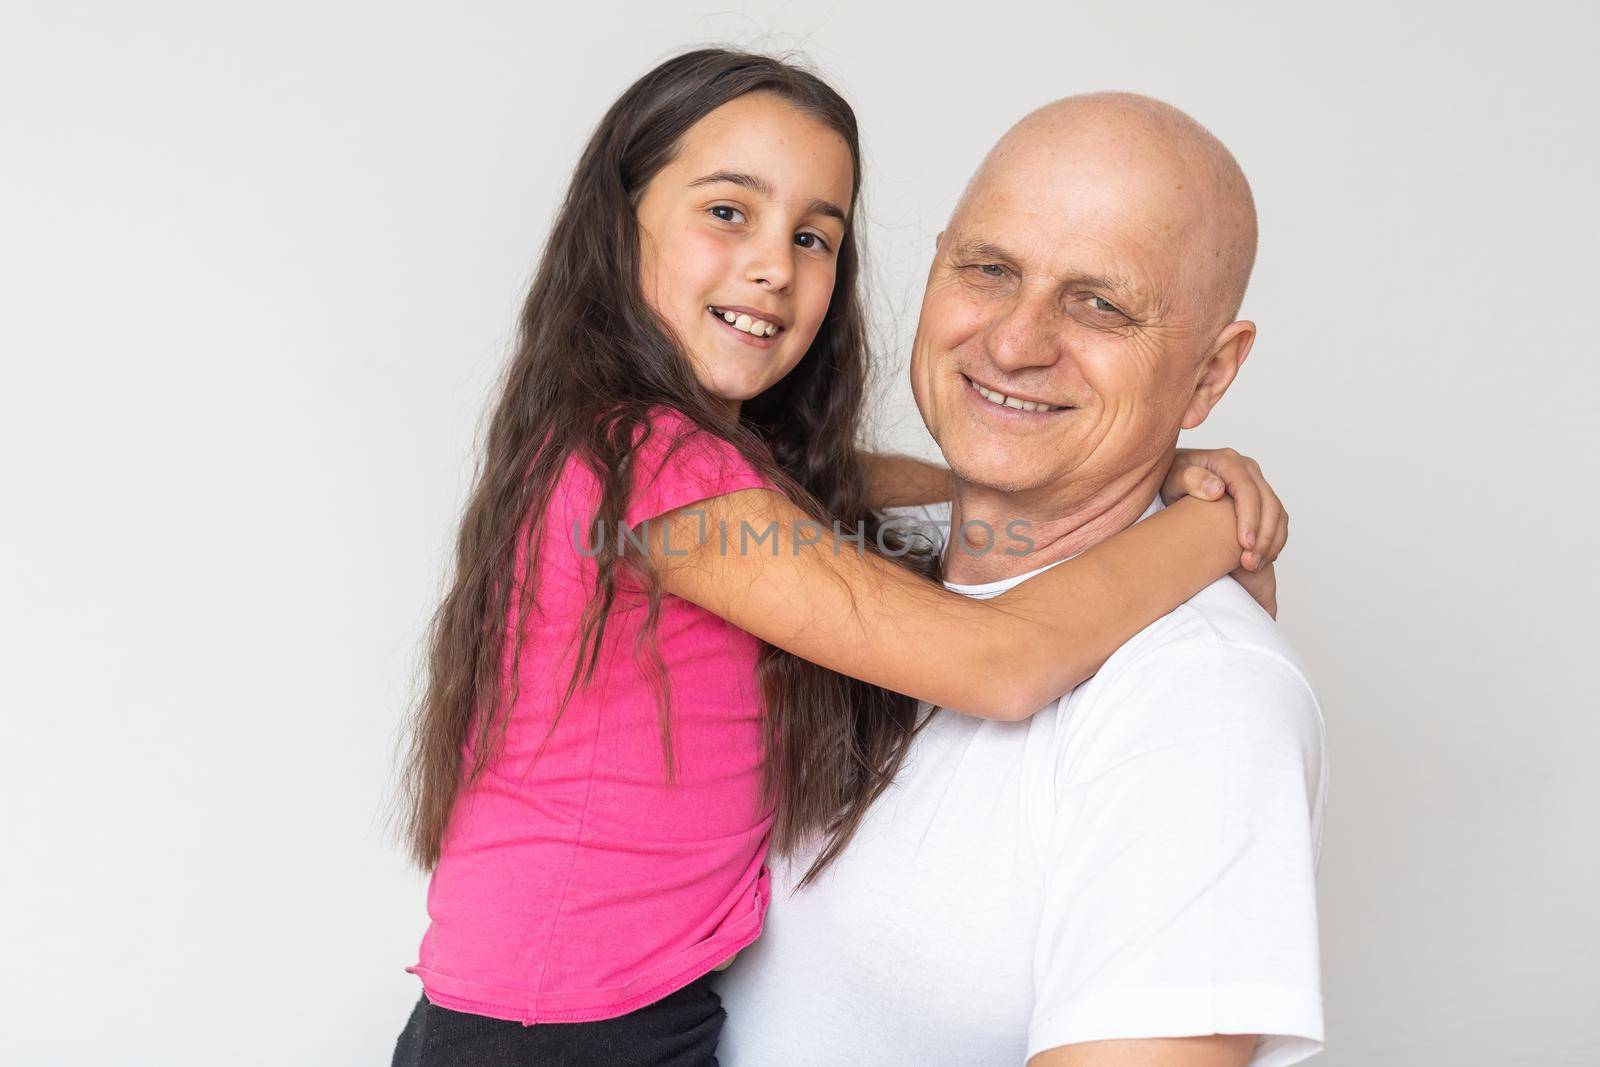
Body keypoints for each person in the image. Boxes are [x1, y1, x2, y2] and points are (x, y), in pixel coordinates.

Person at [392, 51, 1287, 1066]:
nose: (775, 263)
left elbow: (834, 487)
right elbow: (999, 662)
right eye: (727, 212)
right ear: (618, 221)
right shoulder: (653, 463)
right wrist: (1208, 526)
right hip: (559, 1040)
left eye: (813, 234)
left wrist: (1089, 469)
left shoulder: (654, 456)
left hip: (593, 1015)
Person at [716, 93, 1326, 1067]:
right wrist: (1184, 502)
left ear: (1210, 376)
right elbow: (771, 472)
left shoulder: (1198, 696)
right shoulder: (831, 560)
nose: (1012, 341)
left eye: (1100, 304)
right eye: (989, 269)